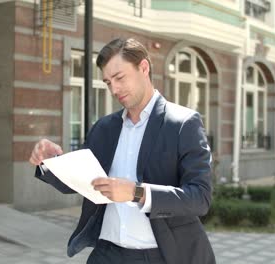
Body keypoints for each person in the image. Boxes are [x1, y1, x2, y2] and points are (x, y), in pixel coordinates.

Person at [29, 37, 215, 264]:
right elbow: (82, 183)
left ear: (143, 67)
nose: (114, 89)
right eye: (108, 82)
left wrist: (136, 193)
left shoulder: (183, 123)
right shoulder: (104, 128)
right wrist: (51, 162)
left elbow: (200, 198)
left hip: (159, 255)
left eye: (119, 78)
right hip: (107, 254)